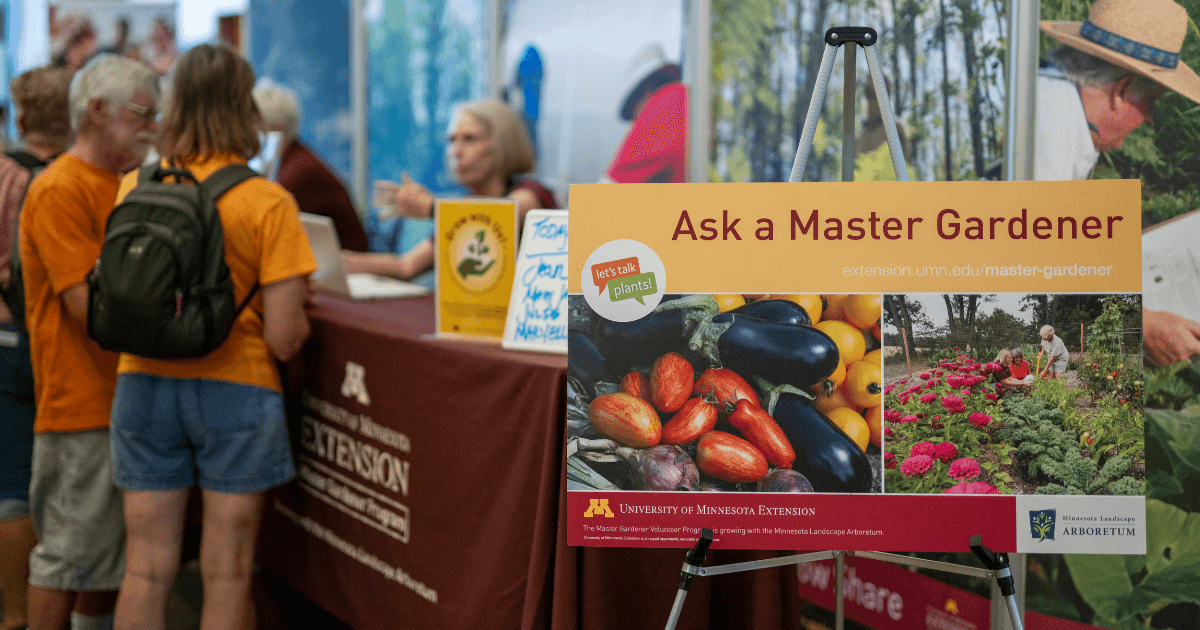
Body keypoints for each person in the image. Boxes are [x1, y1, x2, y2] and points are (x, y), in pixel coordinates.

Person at [108, 44, 315, 630]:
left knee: (146, 569)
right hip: (238, 390)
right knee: (227, 572)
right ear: (245, 108)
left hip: (142, 384)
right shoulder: (268, 202)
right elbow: (284, 336)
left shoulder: (134, 189)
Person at [18, 54, 159, 630]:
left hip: (122, 400)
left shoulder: (124, 183)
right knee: (67, 561)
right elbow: (89, 308)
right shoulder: (59, 189)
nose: (151, 126)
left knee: (103, 566)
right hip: (81, 404)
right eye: (141, 114)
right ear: (95, 111)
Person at [1036, 0, 1200, 364]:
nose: (1151, 119)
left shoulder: (1055, 104)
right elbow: (1024, 267)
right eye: (1151, 103)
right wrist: (1140, 325)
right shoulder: (1047, 131)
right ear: (1121, 92)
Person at [0, 65, 73, 630]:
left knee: (8, 481)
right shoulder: (63, 185)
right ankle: (26, 611)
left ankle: (14, 610)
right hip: (40, 344)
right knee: (29, 485)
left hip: (2, 336)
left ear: (21, 118)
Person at [358, 98, 557, 281]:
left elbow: (504, 212)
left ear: (503, 143)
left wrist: (433, 208)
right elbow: (406, 266)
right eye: (452, 140)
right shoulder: (460, 209)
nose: (456, 152)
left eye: (469, 139)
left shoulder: (532, 192)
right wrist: (345, 261)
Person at [253, 81, 370, 251]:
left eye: (254, 127)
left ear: (276, 129)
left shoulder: (299, 172)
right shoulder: (296, 161)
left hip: (348, 267)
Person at [602, 42, 686, 184]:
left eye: (633, 112)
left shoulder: (666, 103)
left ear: (645, 91)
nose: (635, 122)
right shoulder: (687, 102)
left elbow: (602, 199)